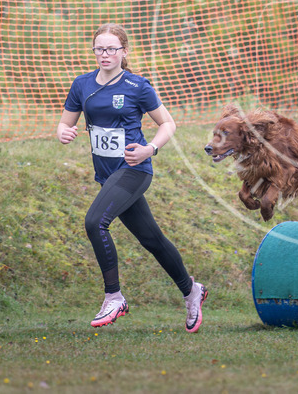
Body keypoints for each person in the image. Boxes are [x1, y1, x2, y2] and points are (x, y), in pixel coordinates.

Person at [56, 23, 207, 332]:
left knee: (94, 222)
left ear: (124, 52)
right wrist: (64, 131)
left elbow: (168, 124)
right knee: (151, 239)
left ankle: (114, 296)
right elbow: (65, 122)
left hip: (135, 170)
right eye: (99, 48)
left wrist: (149, 149)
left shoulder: (138, 86)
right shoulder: (81, 84)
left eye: (112, 48)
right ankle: (192, 290)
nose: (105, 54)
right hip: (107, 175)